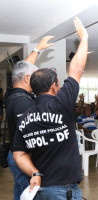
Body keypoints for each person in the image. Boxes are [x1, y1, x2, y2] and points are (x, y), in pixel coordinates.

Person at [13, 17, 88, 199]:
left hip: (41, 190)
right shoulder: (61, 105)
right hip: (64, 191)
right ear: (54, 86)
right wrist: (84, 38)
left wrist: (34, 173)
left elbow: (19, 154)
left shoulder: (25, 118)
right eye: (58, 83)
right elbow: (76, 70)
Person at [3, 36, 54, 200]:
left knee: (20, 192)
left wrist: (37, 48)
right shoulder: (23, 103)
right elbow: (31, 137)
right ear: (26, 79)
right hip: (24, 157)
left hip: (14, 154)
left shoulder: (12, 93)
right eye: (33, 77)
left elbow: (22, 70)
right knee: (30, 194)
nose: (36, 80)